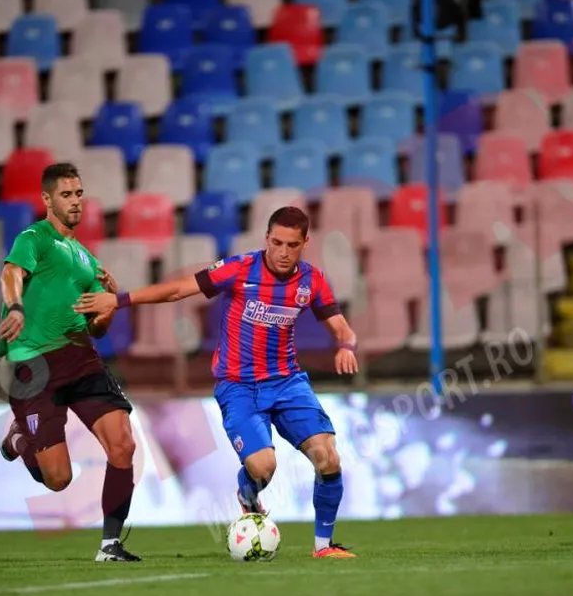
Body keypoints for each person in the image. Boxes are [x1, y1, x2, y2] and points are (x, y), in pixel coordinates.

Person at [74, 207, 360, 558]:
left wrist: (346, 346)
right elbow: (178, 290)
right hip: (238, 387)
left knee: (328, 457)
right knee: (263, 467)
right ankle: (247, 494)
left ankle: (323, 546)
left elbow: (342, 328)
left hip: (287, 383)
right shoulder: (240, 269)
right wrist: (119, 301)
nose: (283, 252)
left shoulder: (312, 280)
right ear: (266, 238)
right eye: (277, 243)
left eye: (292, 245)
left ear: (305, 243)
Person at [0, 162, 141, 562]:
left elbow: (98, 329)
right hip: (33, 364)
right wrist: (16, 307)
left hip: (80, 358)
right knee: (58, 479)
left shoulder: (88, 260)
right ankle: (20, 438)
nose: (75, 201)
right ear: (47, 199)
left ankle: (110, 545)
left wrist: (110, 303)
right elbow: (11, 273)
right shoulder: (34, 238)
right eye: (66, 194)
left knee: (123, 445)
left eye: (78, 194)